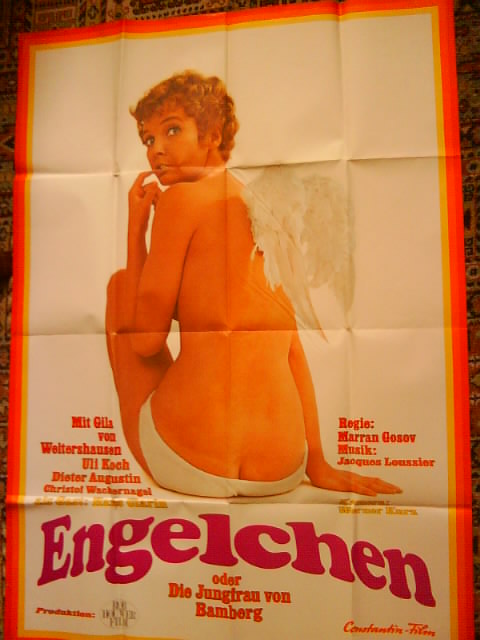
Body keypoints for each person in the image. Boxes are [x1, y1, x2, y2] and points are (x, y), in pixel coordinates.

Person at [106, 70, 401, 498]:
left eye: (171, 130)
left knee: (121, 288)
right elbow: (291, 348)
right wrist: (317, 462)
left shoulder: (179, 201)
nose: (156, 150)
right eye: (148, 139)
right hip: (281, 469)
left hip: (189, 461)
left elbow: (146, 341)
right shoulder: (267, 207)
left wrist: (137, 231)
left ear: (212, 134)